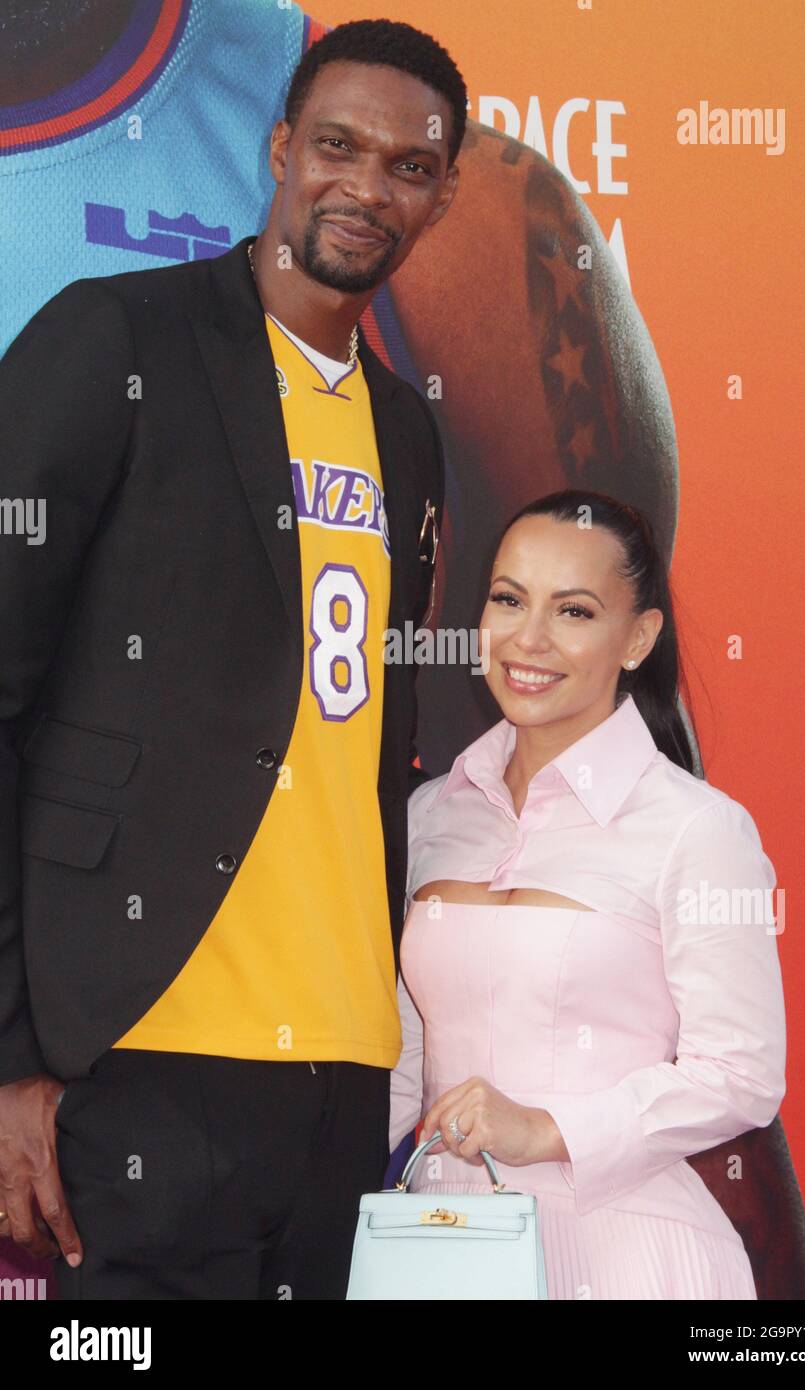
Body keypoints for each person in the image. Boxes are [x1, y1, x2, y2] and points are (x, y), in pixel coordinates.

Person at [0, 19, 463, 1299]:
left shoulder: (405, 436)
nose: (366, 188)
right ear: (277, 148)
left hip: (344, 1074)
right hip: (141, 1050)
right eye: (337, 146)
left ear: (441, 194)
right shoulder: (116, 340)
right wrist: (9, 1055)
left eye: (408, 167)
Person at [390, 489, 787, 1300]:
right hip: (435, 1251)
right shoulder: (428, 815)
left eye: (573, 611)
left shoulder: (696, 828)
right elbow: (402, 1056)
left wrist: (545, 1128)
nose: (527, 639)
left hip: (625, 1255)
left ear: (637, 637)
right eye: (507, 600)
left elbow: (740, 1073)